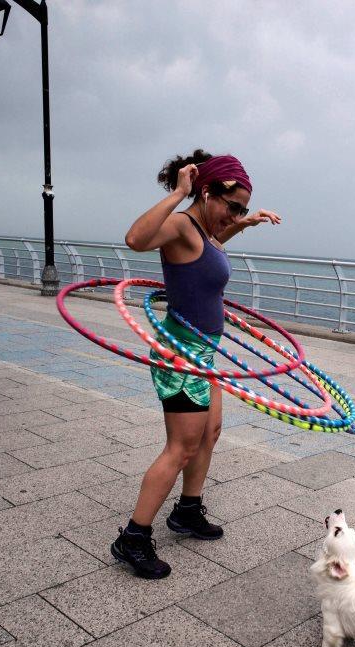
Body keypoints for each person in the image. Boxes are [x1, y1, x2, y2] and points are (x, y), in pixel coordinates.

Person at [114, 150, 281, 579]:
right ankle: (133, 537)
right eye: (232, 206)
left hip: (205, 353)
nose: (235, 214)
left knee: (211, 432)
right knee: (181, 446)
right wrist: (178, 193)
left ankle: (187, 511)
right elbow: (135, 239)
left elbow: (211, 256)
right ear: (207, 193)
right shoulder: (183, 226)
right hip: (181, 355)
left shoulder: (205, 235)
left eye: (241, 208)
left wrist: (242, 224)